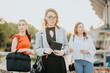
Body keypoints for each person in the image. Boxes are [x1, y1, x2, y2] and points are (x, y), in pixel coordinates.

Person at [34, 8, 69, 73]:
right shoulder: (40, 33)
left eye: (54, 17)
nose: (53, 19)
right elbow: (36, 49)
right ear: (45, 18)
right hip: (46, 64)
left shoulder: (62, 31)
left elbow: (67, 46)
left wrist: (63, 52)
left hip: (59, 62)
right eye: (50, 17)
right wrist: (44, 50)